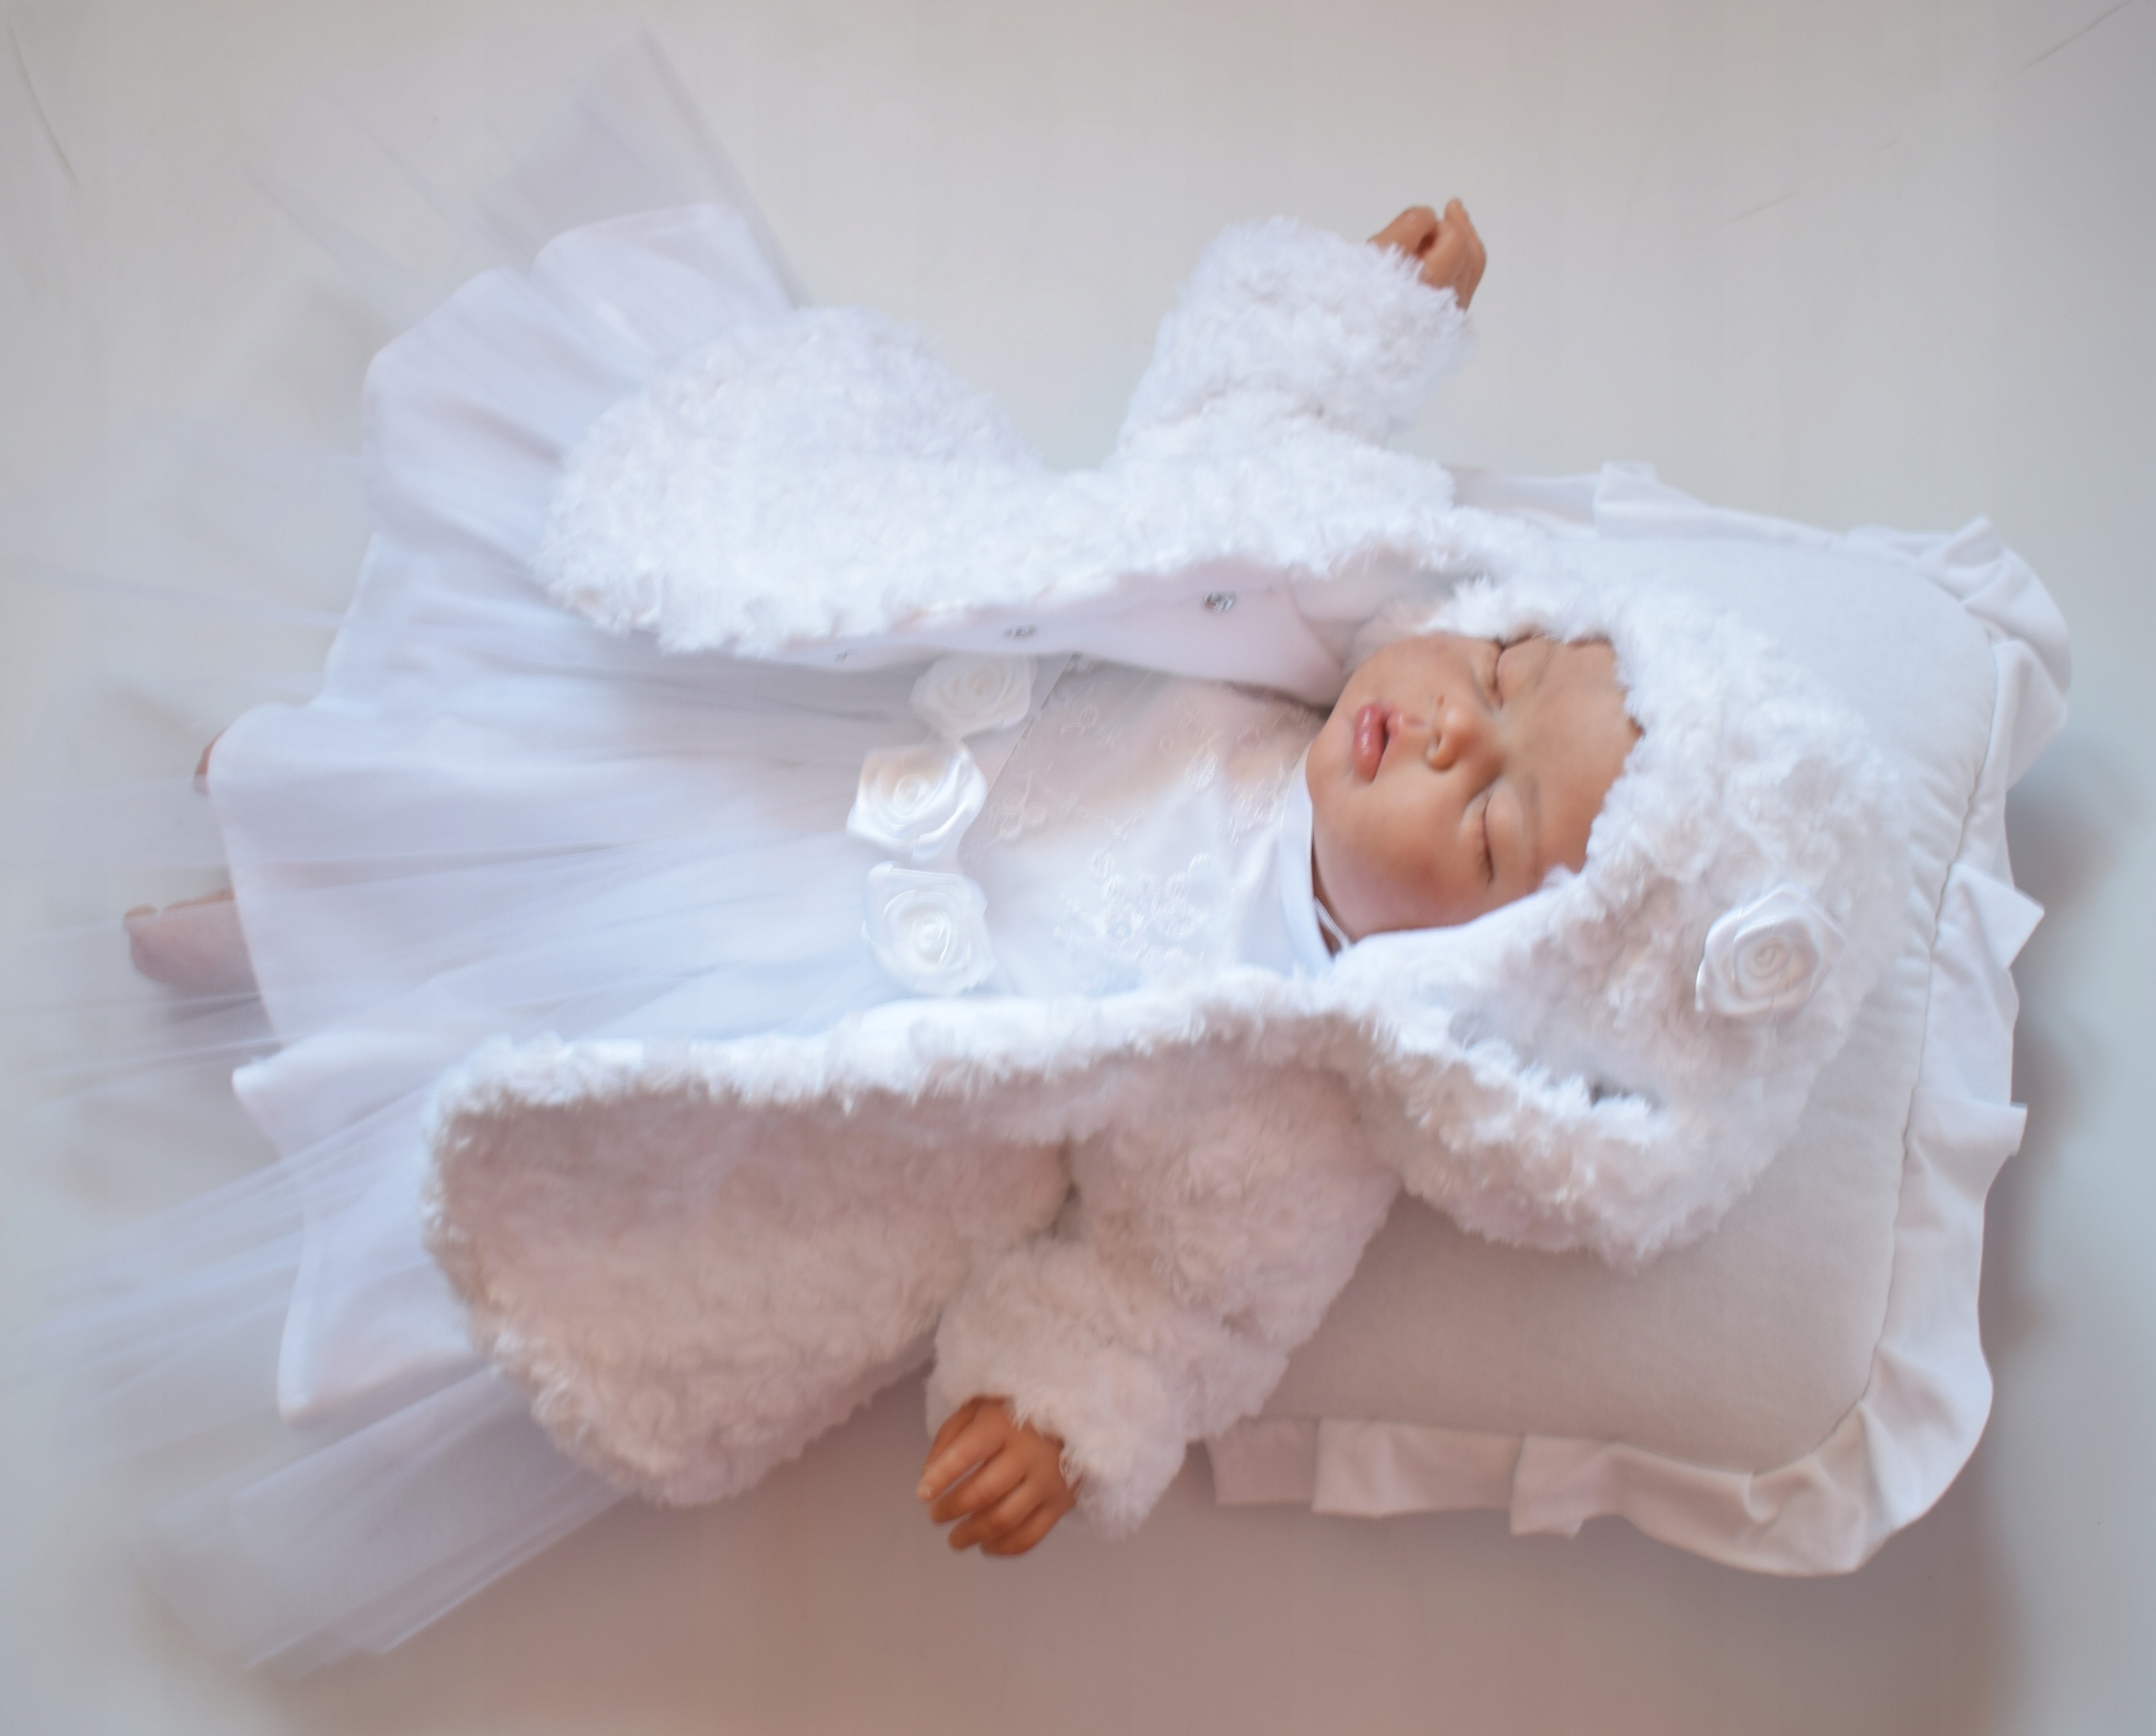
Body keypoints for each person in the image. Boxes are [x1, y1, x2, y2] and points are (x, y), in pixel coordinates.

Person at [51, 180, 1903, 1663]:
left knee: (535, 1001)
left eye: (1487, 819)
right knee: (550, 759)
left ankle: (273, 929)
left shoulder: (1292, 1093)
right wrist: (1355, 321)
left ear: (1492, 981)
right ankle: (304, 792)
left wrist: (1059, 1405)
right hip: (821, 732)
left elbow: (1184, 1292)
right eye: (1495, 667)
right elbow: (1223, 439)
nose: (1443, 727)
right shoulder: (1280, 612)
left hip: (822, 1004)